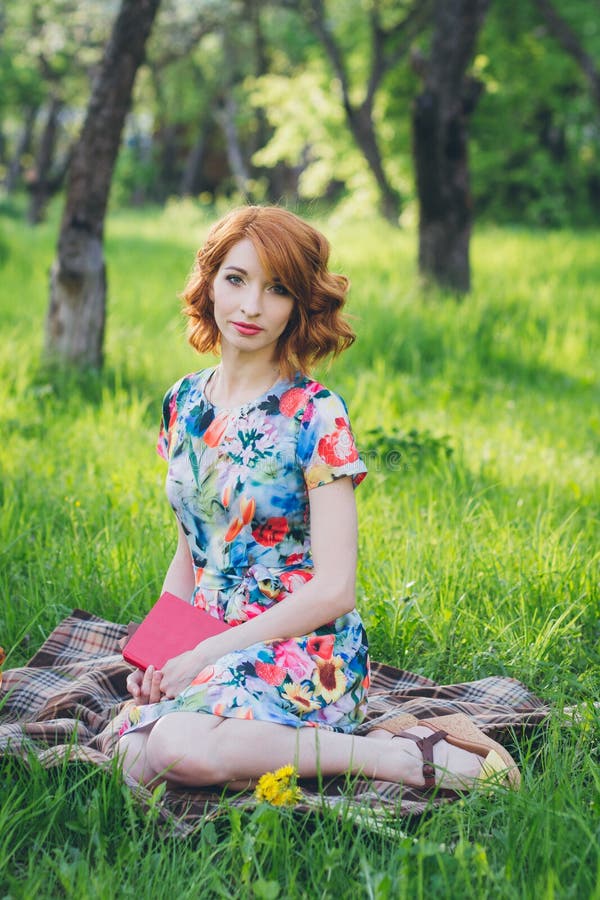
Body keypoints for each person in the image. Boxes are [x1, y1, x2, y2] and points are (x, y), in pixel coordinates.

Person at [116, 206, 520, 792]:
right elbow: (194, 547)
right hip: (214, 634)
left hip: (304, 646)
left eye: (276, 289)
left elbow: (335, 588)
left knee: (175, 748)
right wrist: (159, 655)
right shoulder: (183, 402)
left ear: (301, 305)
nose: (251, 306)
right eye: (236, 279)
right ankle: (251, 750)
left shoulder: (314, 413)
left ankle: (392, 758)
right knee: (132, 760)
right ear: (209, 283)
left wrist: (206, 655)